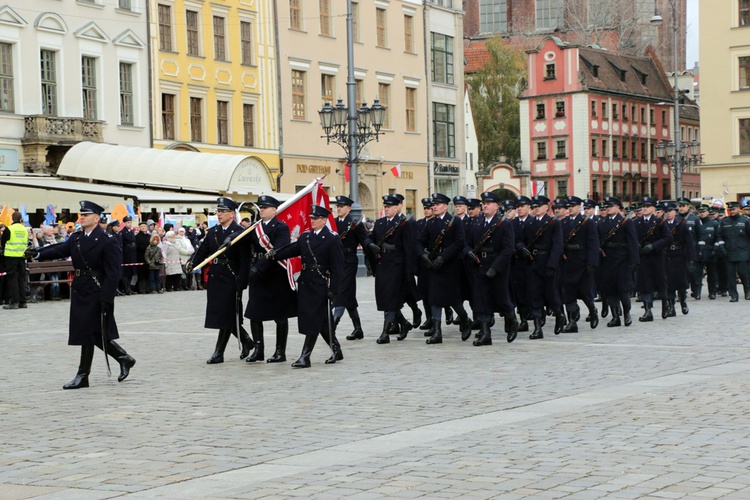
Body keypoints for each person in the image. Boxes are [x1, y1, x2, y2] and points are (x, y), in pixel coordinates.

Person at [28, 200, 135, 389]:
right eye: (81, 214)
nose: (82, 217)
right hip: (80, 288)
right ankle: (123, 358)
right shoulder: (77, 237)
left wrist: (106, 298)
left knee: (89, 332)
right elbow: (60, 248)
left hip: (97, 289)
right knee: (89, 332)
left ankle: (83, 375)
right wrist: (38, 254)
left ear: (96, 218)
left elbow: (113, 273)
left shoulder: (107, 240)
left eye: (86, 215)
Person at [268, 205, 344, 368]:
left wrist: (334, 289)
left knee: (312, 319)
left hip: (320, 283)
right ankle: (336, 349)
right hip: (305, 282)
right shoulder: (306, 237)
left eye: (316, 219)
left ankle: (305, 356)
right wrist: (274, 254)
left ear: (324, 221)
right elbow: (292, 250)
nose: (312, 221)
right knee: (321, 320)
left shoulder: (332, 238)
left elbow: (338, 267)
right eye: (311, 218)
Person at [187, 197, 254, 363]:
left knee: (227, 314)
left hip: (231, 277)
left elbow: (245, 260)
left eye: (223, 211)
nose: (219, 214)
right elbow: (202, 251)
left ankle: (219, 352)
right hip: (216, 276)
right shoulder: (214, 231)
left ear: (232, 214)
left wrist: (242, 281)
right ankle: (246, 341)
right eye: (218, 211)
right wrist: (192, 263)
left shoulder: (239, 232)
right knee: (220, 315)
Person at [237, 195, 297, 363]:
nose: (261, 210)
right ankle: (258, 350)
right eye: (261, 207)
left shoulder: (281, 227)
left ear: (274, 210)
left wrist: (259, 267)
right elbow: (242, 237)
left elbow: (278, 251)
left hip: (275, 274)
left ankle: (280, 351)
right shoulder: (255, 228)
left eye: (265, 207)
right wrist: (230, 238)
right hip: (258, 275)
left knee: (279, 315)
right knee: (254, 314)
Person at [464, 191, 518, 345]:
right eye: (484, 203)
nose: (485, 205)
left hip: (497, 266)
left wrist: (496, 267)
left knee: (501, 298)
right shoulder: (478, 223)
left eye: (488, 203)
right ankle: (486, 334)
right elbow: (468, 243)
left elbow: (508, 249)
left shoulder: (504, 224)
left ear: (496, 206)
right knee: (481, 300)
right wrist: (469, 252)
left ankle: (512, 320)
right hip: (480, 264)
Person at [418, 193, 472, 344]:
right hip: (434, 265)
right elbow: (419, 242)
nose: (434, 207)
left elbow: (459, 242)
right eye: (433, 204)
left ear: (445, 206)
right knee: (434, 298)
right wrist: (423, 255)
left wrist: (444, 257)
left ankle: (465, 319)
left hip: (450, 265)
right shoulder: (431, 223)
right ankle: (437, 332)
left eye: (437, 204)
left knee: (453, 298)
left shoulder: (454, 222)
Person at [366, 194, 419, 344]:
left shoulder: (404, 223)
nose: (387, 209)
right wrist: (369, 243)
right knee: (385, 298)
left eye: (389, 207)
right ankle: (404, 323)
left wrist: (410, 270)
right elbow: (370, 237)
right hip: (383, 265)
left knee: (390, 298)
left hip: (398, 265)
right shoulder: (381, 223)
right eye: (385, 207)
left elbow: (409, 248)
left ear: (397, 207)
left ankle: (385, 332)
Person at [521, 195, 566, 339]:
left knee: (551, 294)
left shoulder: (553, 223)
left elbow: (557, 245)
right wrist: (522, 248)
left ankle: (559, 315)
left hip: (548, 262)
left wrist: (552, 264)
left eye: (539, 206)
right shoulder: (529, 223)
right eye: (534, 207)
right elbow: (521, 241)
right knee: (534, 295)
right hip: (533, 261)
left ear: (546, 207)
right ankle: (537, 328)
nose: (536, 209)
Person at [597, 197, 639, 327]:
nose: (608, 208)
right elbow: (598, 241)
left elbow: (632, 242)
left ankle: (626, 314)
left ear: (617, 207)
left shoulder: (625, 222)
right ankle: (615, 316)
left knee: (623, 289)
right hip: (607, 258)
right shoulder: (601, 223)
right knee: (610, 290)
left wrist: (634, 261)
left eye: (610, 206)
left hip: (622, 258)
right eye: (606, 206)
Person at [560, 196, 600, 332]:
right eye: (568, 206)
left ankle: (592, 310)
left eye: (573, 206)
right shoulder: (563, 222)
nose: (570, 208)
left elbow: (593, 244)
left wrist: (592, 263)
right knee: (568, 293)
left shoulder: (587, 222)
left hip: (582, 263)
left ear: (579, 207)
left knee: (585, 293)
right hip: (567, 262)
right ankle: (572, 321)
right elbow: (560, 243)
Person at [332, 195, 369, 341]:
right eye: (338, 206)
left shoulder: (354, 224)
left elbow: (364, 239)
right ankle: (358, 329)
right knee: (348, 296)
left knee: (341, 292)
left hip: (349, 262)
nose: (339, 208)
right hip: (337, 262)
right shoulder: (333, 223)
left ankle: (332, 326)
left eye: (342, 206)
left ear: (349, 208)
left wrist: (370, 246)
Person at [634, 197, 672, 321]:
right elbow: (632, 237)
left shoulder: (659, 222)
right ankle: (648, 310)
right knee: (644, 284)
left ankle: (665, 304)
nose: (644, 209)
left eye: (647, 206)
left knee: (660, 282)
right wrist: (637, 246)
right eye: (643, 206)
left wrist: (653, 246)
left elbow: (668, 238)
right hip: (643, 257)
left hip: (657, 256)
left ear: (653, 208)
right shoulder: (636, 222)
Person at [664, 201, 697, 315]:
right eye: (666, 211)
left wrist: (692, 258)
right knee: (669, 283)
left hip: (679, 255)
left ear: (675, 212)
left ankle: (683, 302)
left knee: (681, 283)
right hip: (667, 256)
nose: (668, 214)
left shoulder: (681, 224)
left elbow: (689, 242)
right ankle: (671, 306)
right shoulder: (662, 225)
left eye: (670, 211)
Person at [716, 201, 750, 302]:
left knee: (744, 273)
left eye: (733, 209)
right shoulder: (724, 222)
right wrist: (722, 247)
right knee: (730, 276)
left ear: (738, 209)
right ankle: (733, 295)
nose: (732, 211)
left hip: (743, 252)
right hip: (728, 252)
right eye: (730, 210)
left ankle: (748, 292)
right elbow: (719, 236)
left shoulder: (745, 221)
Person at [1, 212, 28, 310]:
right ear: (20, 219)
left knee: (12, 280)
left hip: (10, 257)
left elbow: (3, 242)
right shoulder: (24, 229)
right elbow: (26, 242)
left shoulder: (9, 229)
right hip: (21, 256)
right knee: (21, 279)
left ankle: (14, 302)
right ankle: (22, 301)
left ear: (12, 218)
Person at [696, 205, 719, 300]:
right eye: (700, 212)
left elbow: (718, 237)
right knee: (697, 274)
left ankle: (712, 292)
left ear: (708, 212)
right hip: (699, 251)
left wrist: (715, 249)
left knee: (712, 274)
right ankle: (697, 293)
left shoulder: (714, 223)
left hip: (710, 251)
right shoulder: (696, 222)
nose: (702, 213)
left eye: (703, 211)